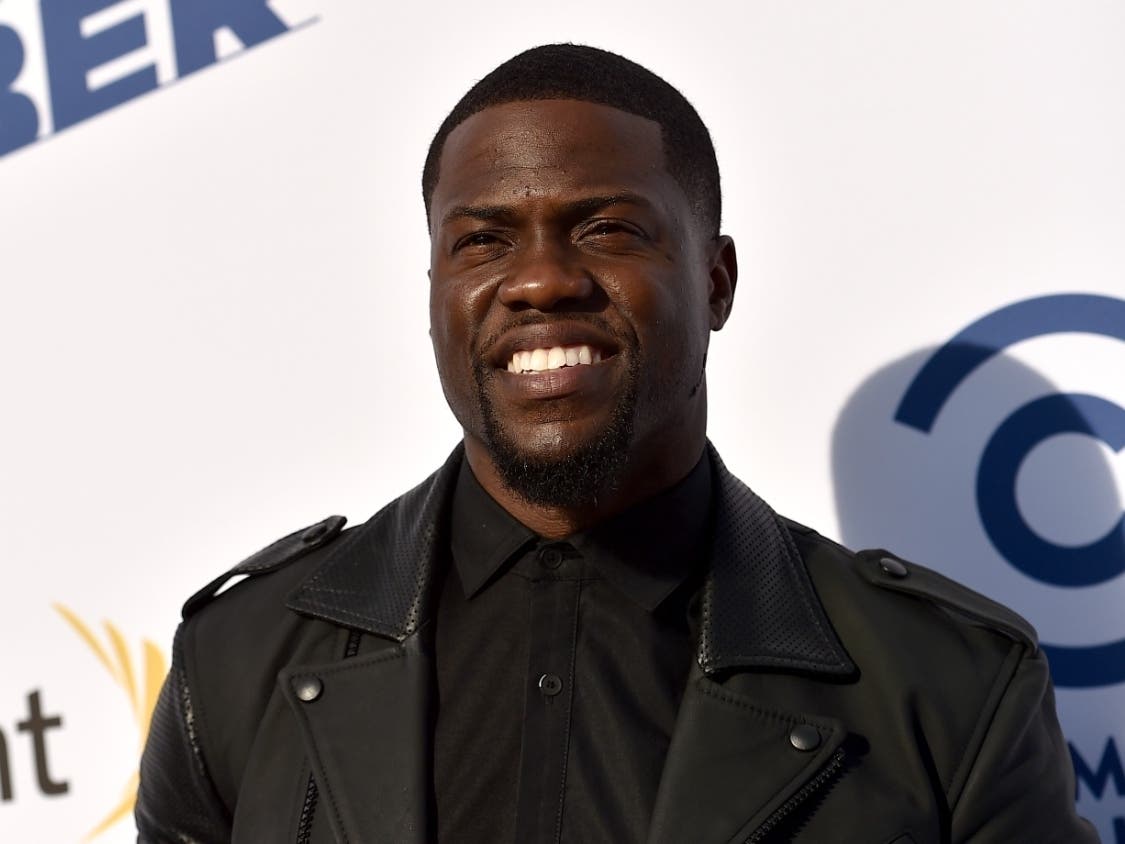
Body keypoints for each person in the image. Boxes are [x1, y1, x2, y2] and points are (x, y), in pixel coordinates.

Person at [135, 44, 1096, 843]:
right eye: (483, 242)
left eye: (604, 228)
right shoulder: (236, 665)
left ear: (715, 282)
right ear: (432, 292)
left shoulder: (948, 686)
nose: (541, 282)